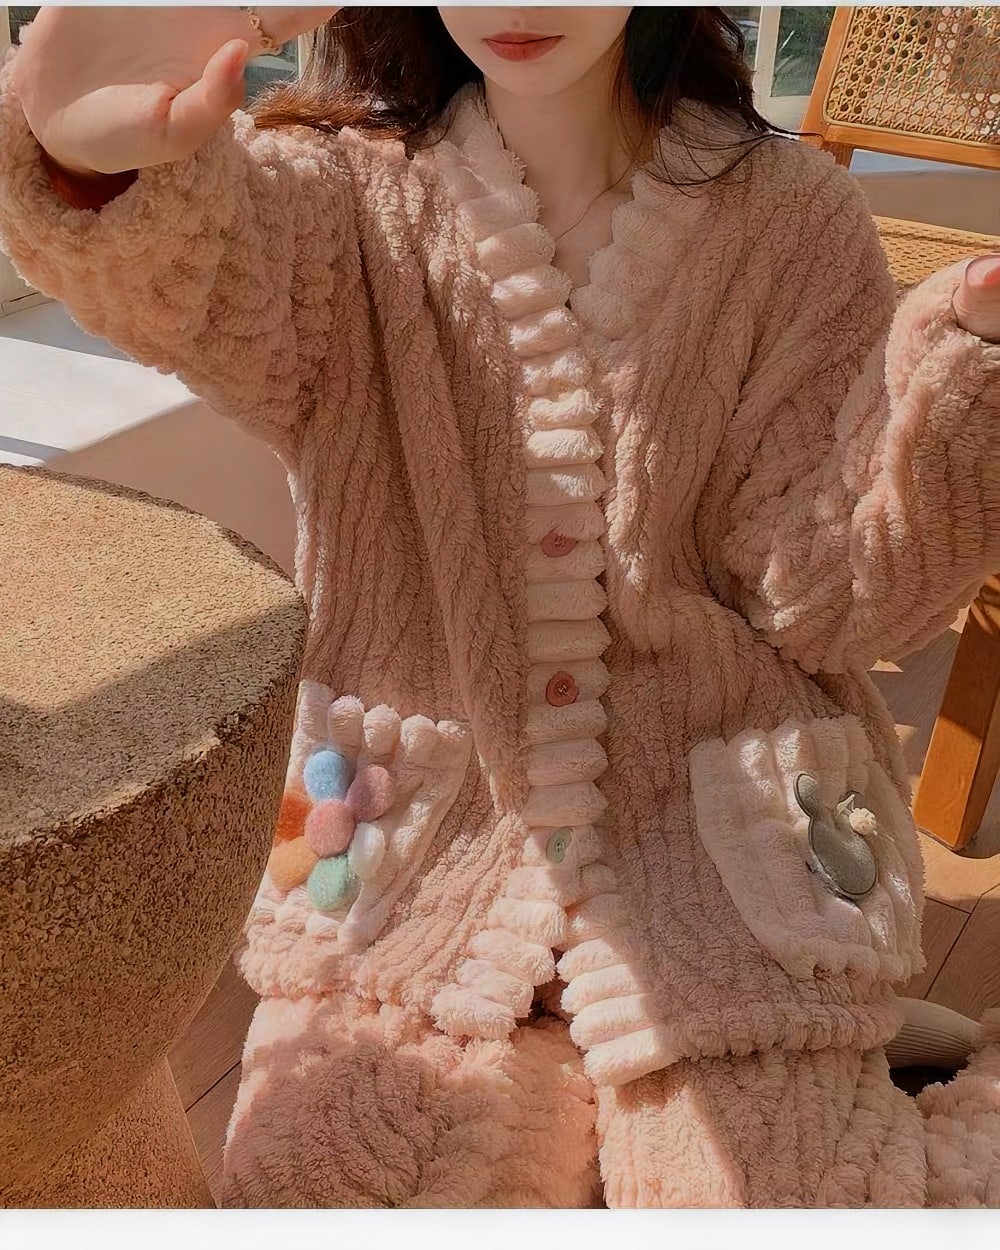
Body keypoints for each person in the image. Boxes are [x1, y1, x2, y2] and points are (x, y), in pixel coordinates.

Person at [2, 5, 999, 1209]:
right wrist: (91, 164)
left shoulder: (791, 216)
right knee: (326, 1189)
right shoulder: (335, 197)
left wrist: (970, 388)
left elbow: (829, 599)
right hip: (423, 876)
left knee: (774, 1201)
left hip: (718, 862)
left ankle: (812, 1052)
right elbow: (194, 268)